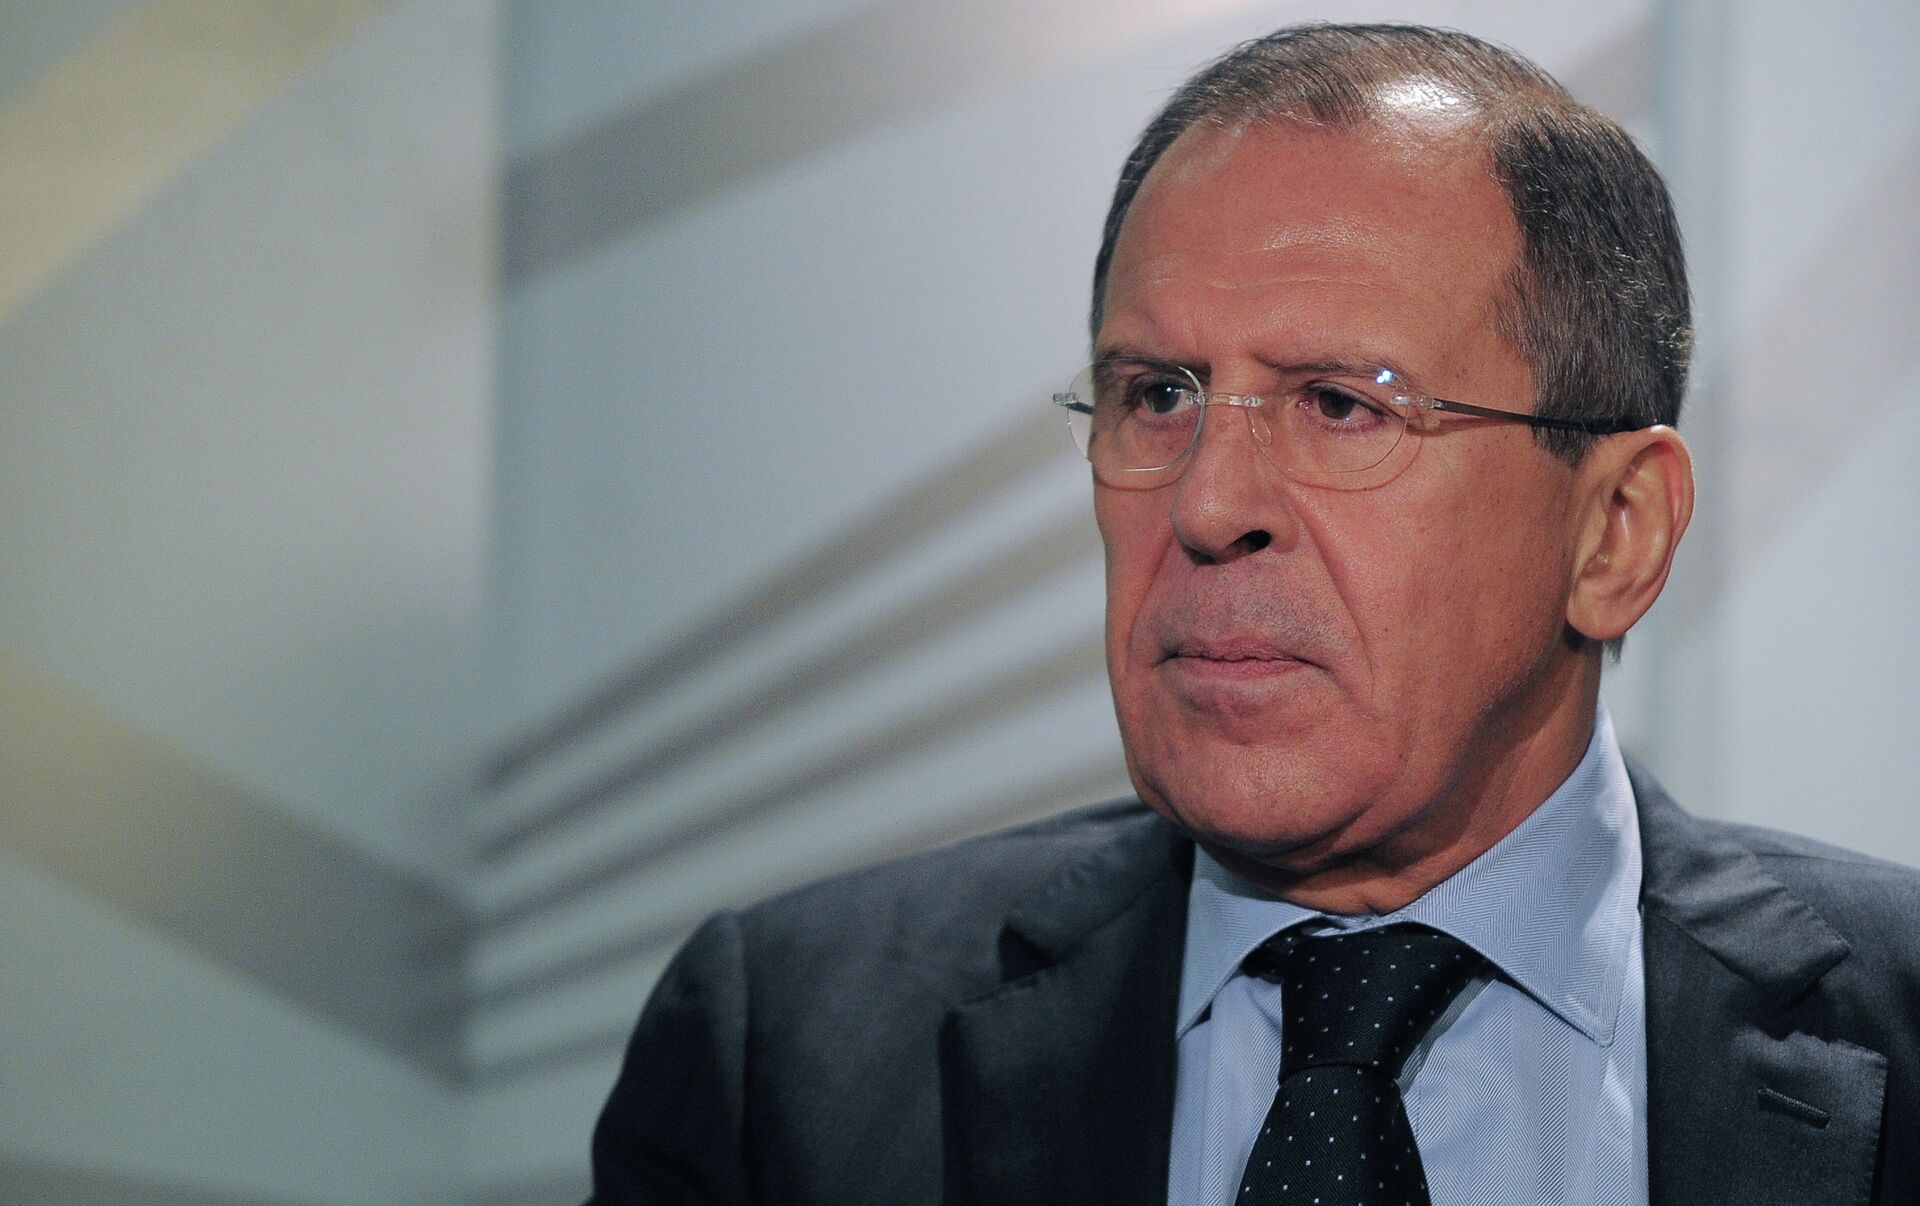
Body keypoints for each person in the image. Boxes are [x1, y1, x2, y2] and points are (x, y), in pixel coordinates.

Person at [586, 23, 1920, 1205]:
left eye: (1342, 404)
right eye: (1157, 395)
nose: (1209, 502)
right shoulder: (785, 1057)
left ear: (1615, 531)